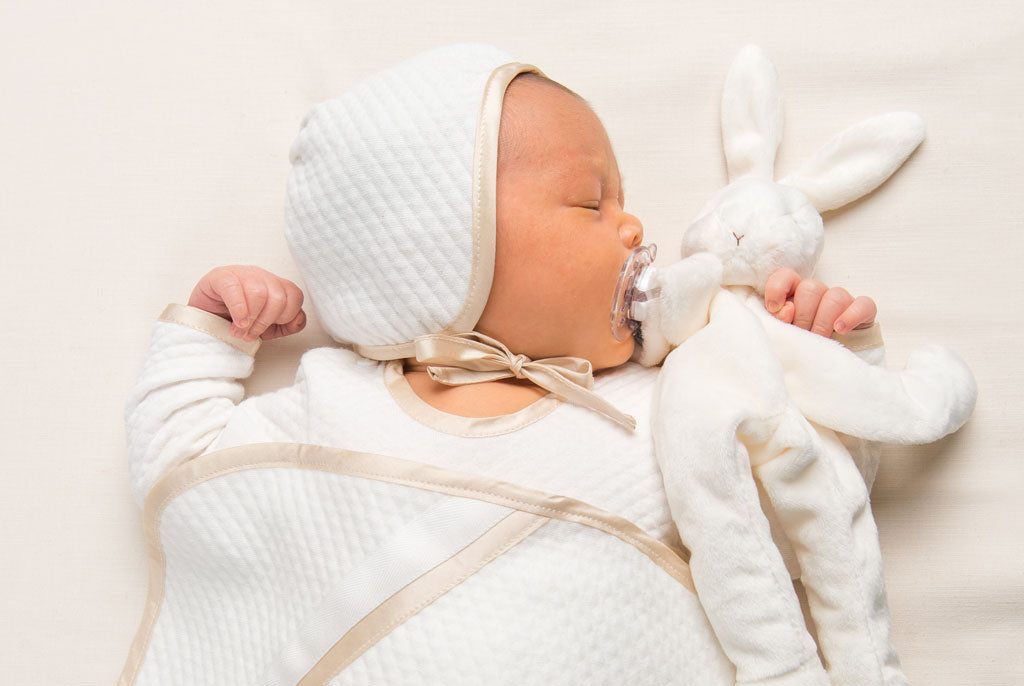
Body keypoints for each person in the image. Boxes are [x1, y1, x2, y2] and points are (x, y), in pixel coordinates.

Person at [126, 44, 879, 550]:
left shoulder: (659, 411)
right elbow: (182, 471)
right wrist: (215, 331)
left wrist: (823, 360)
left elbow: (802, 518)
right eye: (592, 203)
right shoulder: (331, 405)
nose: (635, 227)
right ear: (445, 249)